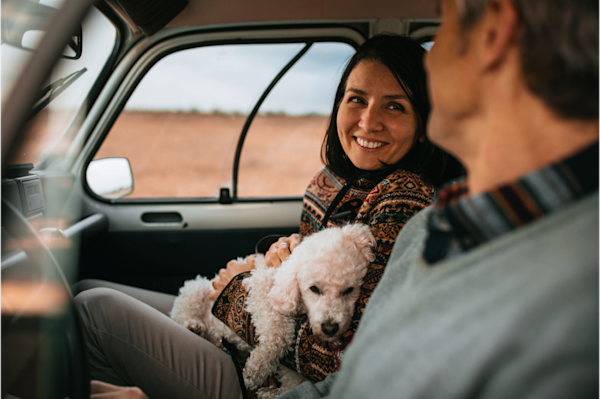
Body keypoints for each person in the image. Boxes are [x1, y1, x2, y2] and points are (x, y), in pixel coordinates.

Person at [74, 35, 460, 399]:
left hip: (269, 380)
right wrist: (284, 251)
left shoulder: (405, 200)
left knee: (94, 312)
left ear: (424, 125)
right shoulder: (334, 180)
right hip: (251, 339)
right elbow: (317, 265)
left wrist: (234, 296)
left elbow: (343, 352)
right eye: (356, 99)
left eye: (395, 106)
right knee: (85, 288)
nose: (368, 121)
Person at [277, 0, 599, 398]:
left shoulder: (575, 301)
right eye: (356, 99)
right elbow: (354, 381)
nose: (430, 61)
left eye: (443, 26)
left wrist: (238, 297)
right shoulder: (434, 224)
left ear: (494, 34)